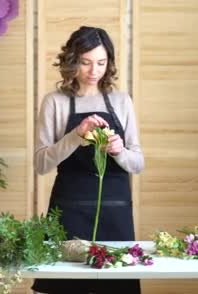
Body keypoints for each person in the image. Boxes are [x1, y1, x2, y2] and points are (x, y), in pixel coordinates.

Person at [32, 26, 144, 294]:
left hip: (115, 214)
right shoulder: (55, 102)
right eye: (86, 62)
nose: (94, 71)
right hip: (69, 212)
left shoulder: (121, 101)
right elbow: (41, 164)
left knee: (117, 287)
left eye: (101, 63)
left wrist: (119, 150)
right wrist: (75, 135)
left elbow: (138, 163)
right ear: (72, 62)